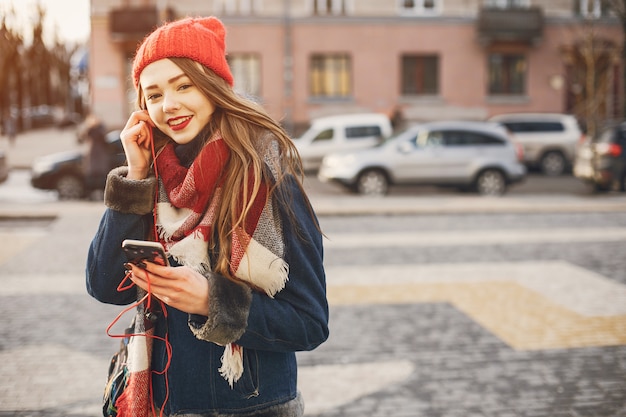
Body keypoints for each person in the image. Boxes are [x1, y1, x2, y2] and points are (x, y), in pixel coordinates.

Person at [86, 16, 329, 417]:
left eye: (184, 86)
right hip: (163, 404)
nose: (170, 105)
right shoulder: (152, 178)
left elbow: (310, 321)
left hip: (251, 407)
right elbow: (104, 284)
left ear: (215, 88)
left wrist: (212, 301)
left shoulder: (265, 178)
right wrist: (136, 175)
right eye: (154, 94)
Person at [81, 114, 110, 195]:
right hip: (92, 154)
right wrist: (89, 128)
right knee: (91, 174)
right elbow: (82, 138)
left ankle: (101, 192)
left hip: (100, 154)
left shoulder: (101, 128)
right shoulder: (89, 129)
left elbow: (104, 138)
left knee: (101, 175)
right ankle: (91, 193)